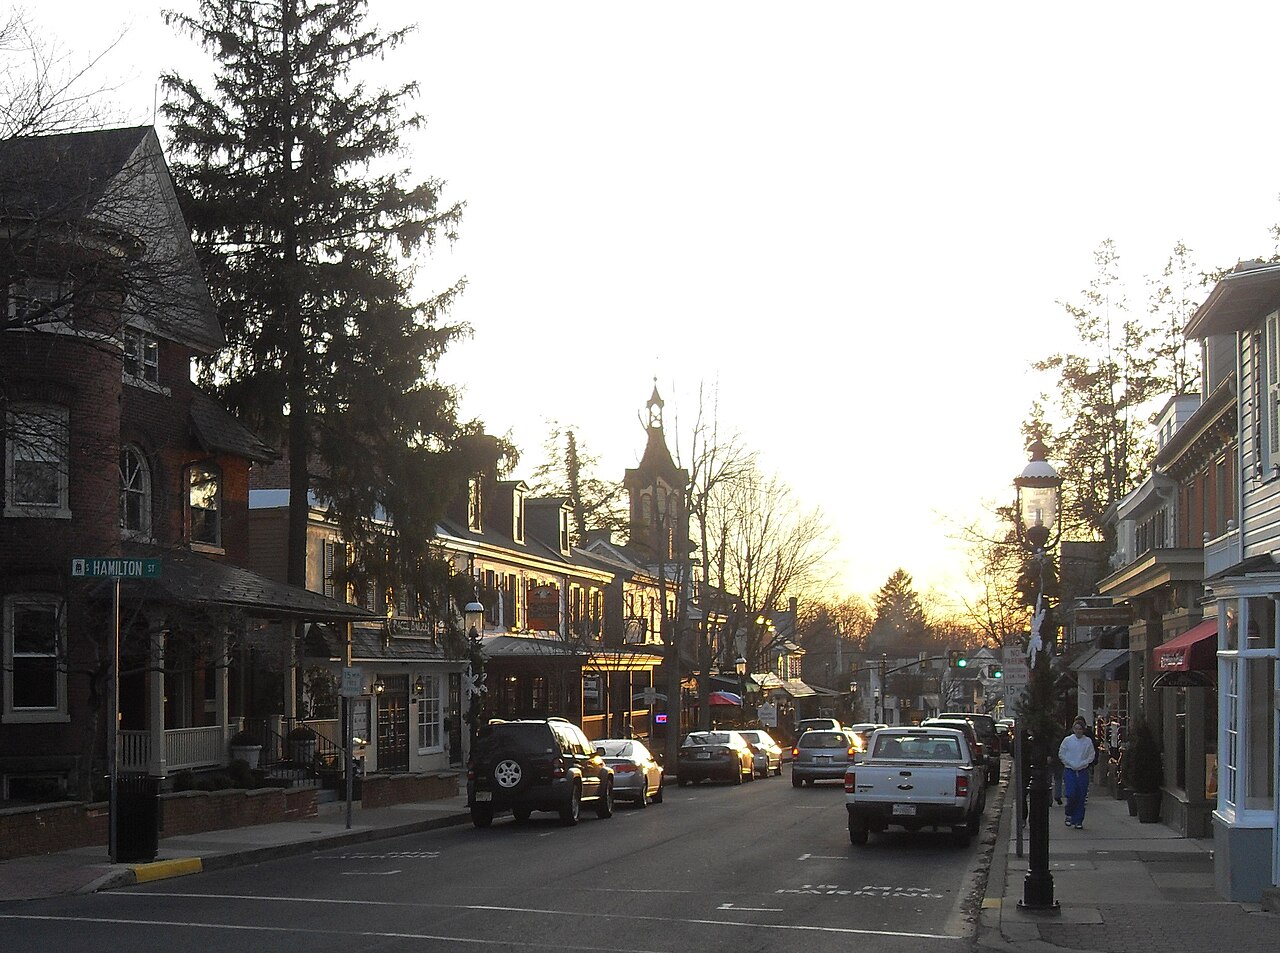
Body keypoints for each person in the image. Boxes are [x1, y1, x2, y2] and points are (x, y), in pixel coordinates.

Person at [1059, 716, 1098, 829]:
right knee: (1071, 794)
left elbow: (1091, 755)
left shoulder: (1087, 741)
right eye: (1076, 729)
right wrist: (1069, 763)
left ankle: (1078, 819)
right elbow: (1061, 753)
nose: (1078, 731)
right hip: (1070, 770)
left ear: (1083, 730)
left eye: (1080, 729)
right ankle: (1069, 813)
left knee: (1081, 795)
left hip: (1082, 770)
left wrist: (1084, 763)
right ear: (1073, 729)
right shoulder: (1068, 740)